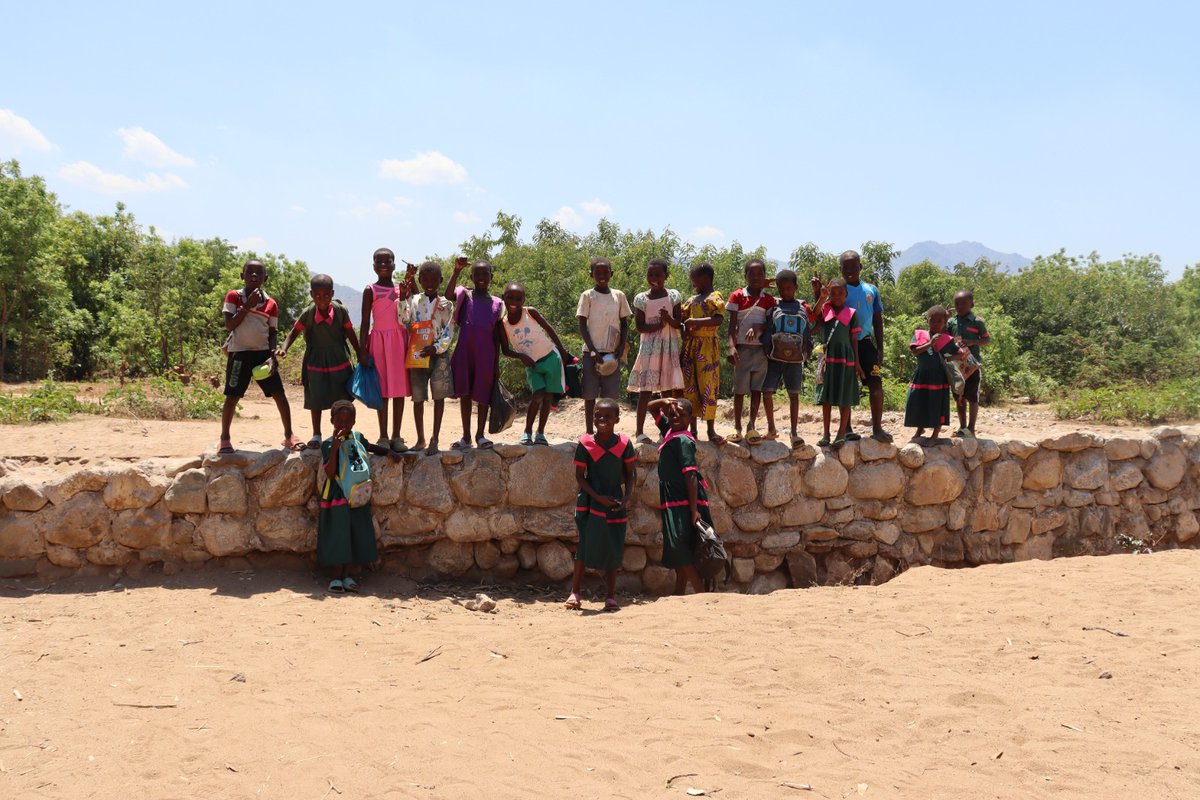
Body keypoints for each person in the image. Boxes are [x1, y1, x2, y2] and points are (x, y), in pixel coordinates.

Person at [217, 259, 302, 454]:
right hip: (239, 354)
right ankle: (224, 438)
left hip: (263, 355)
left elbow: (272, 332)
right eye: (249, 272)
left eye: (259, 273)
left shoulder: (271, 303)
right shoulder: (234, 296)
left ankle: (289, 435)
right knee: (232, 396)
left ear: (266, 278)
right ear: (242, 276)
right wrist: (248, 306)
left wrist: (272, 356)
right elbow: (230, 325)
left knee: (279, 395)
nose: (254, 276)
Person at [318, 400, 401, 593]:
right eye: (339, 421)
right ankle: (336, 576)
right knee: (338, 535)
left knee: (354, 533)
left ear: (354, 422)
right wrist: (336, 448)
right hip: (337, 494)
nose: (343, 425)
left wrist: (389, 452)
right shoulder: (328, 444)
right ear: (332, 421)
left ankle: (348, 575)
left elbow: (370, 447)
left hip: (357, 494)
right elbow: (329, 473)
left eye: (347, 421)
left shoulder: (357, 438)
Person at [276, 274, 362, 449]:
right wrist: (284, 348)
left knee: (342, 396)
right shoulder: (308, 313)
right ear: (311, 294)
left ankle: (343, 433)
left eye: (326, 295)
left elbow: (350, 332)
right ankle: (316, 434)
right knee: (316, 395)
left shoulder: (340, 311)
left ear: (332, 294)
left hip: (339, 359)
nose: (321, 299)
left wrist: (360, 353)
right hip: (315, 361)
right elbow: (294, 332)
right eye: (317, 295)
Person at [812, 250, 891, 442]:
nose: (849, 270)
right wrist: (817, 292)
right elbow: (822, 313)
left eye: (853, 266)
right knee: (843, 385)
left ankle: (877, 428)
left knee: (876, 385)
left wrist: (880, 347)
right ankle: (846, 430)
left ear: (860, 267)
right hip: (843, 347)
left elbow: (877, 320)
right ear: (840, 269)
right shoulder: (836, 288)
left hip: (865, 343)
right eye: (845, 267)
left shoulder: (871, 290)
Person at [566, 398, 636, 612]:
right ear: (592, 417)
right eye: (598, 415)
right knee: (584, 545)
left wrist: (626, 497)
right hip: (590, 502)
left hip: (614, 502)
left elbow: (630, 473)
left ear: (617, 419)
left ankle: (611, 595)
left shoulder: (624, 444)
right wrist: (598, 497)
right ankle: (575, 592)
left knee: (613, 545)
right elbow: (580, 476)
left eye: (607, 416)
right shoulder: (585, 443)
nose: (602, 419)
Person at [648, 396, 710, 595]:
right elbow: (651, 407)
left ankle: (700, 591)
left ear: (690, 418)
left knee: (679, 544)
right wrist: (665, 401)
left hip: (683, 500)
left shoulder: (683, 440)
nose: (675, 418)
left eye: (681, 415)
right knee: (681, 542)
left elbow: (690, 475)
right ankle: (679, 591)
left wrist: (693, 510)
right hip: (674, 499)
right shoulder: (670, 431)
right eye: (672, 414)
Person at [498, 282, 571, 445]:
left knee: (548, 397)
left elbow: (549, 329)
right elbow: (505, 350)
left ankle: (540, 433)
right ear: (503, 298)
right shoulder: (503, 324)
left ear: (523, 300)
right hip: (532, 365)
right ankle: (527, 432)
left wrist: (562, 350)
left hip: (551, 357)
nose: (514, 302)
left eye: (518, 299)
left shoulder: (530, 312)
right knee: (538, 395)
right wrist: (521, 356)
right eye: (510, 298)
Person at [445, 257, 503, 450]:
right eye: (477, 274)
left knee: (483, 395)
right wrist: (456, 271)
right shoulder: (465, 295)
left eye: (485, 274)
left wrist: (496, 363)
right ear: (471, 277)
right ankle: (466, 436)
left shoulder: (497, 303)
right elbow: (447, 295)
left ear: (491, 277)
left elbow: (497, 336)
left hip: (486, 355)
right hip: (465, 352)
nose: (481, 277)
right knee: (465, 393)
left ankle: (480, 435)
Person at [400, 261, 455, 455]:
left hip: (439, 355)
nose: (430, 283)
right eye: (425, 279)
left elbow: (448, 331)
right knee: (418, 398)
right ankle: (420, 438)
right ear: (420, 280)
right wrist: (402, 297)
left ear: (440, 280)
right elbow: (404, 319)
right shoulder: (414, 300)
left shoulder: (446, 304)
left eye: (434, 280)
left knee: (439, 398)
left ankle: (435, 439)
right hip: (418, 354)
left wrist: (437, 348)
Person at [359, 248, 411, 452]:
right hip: (378, 342)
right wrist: (362, 350)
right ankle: (383, 436)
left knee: (398, 389)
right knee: (381, 390)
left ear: (394, 265)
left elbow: (407, 318)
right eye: (379, 262)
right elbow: (365, 322)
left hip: (399, 342)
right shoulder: (369, 290)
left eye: (387, 262)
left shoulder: (402, 288)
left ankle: (397, 436)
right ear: (373, 266)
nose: (383, 265)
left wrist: (404, 295)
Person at [628, 258, 684, 444]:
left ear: (666, 276)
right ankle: (639, 432)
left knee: (667, 391)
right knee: (645, 391)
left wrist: (668, 319)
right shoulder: (642, 299)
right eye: (650, 274)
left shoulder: (673, 296)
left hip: (668, 348)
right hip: (649, 349)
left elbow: (679, 323)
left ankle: (666, 431)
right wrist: (658, 325)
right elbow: (640, 327)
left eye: (658, 275)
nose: (653, 278)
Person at [576, 257, 632, 436]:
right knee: (590, 395)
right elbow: (582, 325)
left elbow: (624, 323)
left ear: (611, 274)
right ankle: (589, 432)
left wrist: (621, 346)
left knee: (610, 396)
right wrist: (593, 350)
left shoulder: (619, 296)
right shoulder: (587, 296)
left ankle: (609, 431)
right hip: (591, 353)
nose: (602, 276)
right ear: (591, 275)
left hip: (612, 353)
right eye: (597, 273)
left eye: (605, 272)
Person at [726, 258, 777, 444]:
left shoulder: (768, 299)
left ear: (765, 276)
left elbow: (771, 324)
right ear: (745, 276)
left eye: (760, 274)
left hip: (761, 351)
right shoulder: (737, 296)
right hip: (742, 350)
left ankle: (751, 426)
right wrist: (731, 347)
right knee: (739, 391)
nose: (755, 277)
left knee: (757, 390)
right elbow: (732, 325)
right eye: (751, 274)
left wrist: (758, 327)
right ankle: (737, 428)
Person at [761, 269, 812, 448]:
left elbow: (808, 333)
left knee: (794, 394)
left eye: (789, 288)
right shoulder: (774, 306)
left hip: (794, 360)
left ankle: (794, 432)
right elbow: (768, 330)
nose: (785, 292)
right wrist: (767, 349)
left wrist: (807, 351)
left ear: (796, 287)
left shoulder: (802, 308)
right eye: (781, 289)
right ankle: (771, 428)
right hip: (775, 357)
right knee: (767, 392)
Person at [812, 278, 864, 448]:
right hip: (828, 358)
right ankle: (826, 434)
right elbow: (815, 313)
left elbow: (854, 339)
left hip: (845, 358)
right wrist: (822, 297)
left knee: (845, 396)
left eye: (840, 293)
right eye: (833, 293)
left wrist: (857, 362)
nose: (836, 296)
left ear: (846, 294)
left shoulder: (852, 313)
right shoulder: (825, 308)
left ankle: (841, 433)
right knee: (826, 397)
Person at [904, 305, 965, 446]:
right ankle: (920, 429)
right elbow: (915, 352)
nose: (935, 324)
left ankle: (934, 436)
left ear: (945, 323)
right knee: (918, 401)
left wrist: (948, 358)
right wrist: (930, 344)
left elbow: (960, 354)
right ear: (927, 321)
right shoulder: (920, 335)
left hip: (938, 379)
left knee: (937, 405)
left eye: (939, 321)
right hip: (921, 377)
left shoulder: (947, 339)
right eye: (932, 321)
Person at [680, 262, 725, 443]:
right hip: (691, 347)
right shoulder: (692, 300)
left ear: (705, 279)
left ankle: (711, 430)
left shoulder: (714, 297)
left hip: (707, 348)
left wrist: (695, 322)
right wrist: (684, 329)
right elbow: (682, 320)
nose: (693, 285)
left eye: (695, 281)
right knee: (690, 387)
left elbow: (718, 320)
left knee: (708, 387)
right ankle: (693, 430)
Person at [947, 290, 990, 438]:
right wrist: (945, 317)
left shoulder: (977, 322)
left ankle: (971, 428)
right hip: (956, 366)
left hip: (972, 365)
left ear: (972, 304)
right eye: (957, 303)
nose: (959, 306)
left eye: (963, 303)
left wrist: (972, 342)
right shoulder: (951, 322)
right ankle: (962, 427)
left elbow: (987, 340)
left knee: (972, 397)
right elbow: (944, 337)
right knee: (959, 397)